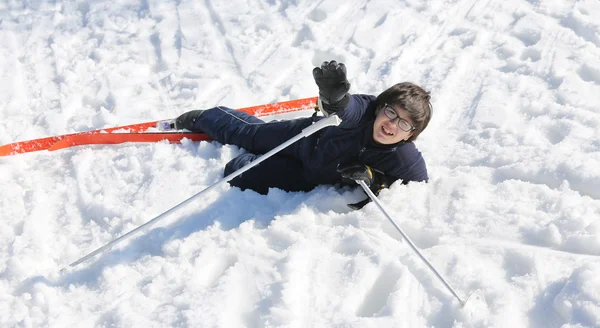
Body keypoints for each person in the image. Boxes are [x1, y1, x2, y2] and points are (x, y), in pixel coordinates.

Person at [175, 60, 432, 208]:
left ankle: (256, 160)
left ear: (410, 136)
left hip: (308, 176)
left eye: (405, 124)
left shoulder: (405, 158)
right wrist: (336, 100)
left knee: (234, 171)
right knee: (249, 134)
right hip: (305, 137)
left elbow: (417, 185)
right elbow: (348, 110)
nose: (393, 124)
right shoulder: (364, 111)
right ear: (379, 109)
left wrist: (374, 178)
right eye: (390, 113)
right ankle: (205, 116)